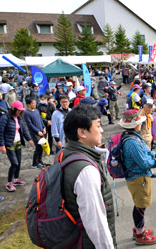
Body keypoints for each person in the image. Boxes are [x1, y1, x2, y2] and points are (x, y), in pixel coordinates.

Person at [62, 104, 116, 248]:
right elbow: (96, 223)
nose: (102, 130)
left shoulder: (66, 153)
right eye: (98, 126)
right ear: (82, 133)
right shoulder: (85, 170)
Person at [120, 109, 156, 246]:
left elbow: (146, 152)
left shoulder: (132, 135)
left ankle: (138, 229)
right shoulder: (133, 141)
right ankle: (140, 234)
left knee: (139, 205)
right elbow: (144, 163)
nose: (141, 124)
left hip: (138, 176)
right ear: (135, 125)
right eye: (140, 122)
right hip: (138, 177)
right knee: (141, 205)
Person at [0, 101, 34, 192]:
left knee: (19, 162)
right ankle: (9, 183)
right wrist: (2, 145)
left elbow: (23, 130)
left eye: (21, 111)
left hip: (18, 142)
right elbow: (0, 132)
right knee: (14, 163)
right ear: (13, 109)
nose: (19, 112)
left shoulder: (18, 118)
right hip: (9, 143)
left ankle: (16, 179)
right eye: (18, 110)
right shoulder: (5, 118)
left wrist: (29, 139)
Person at [24, 97, 46, 169]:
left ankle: (40, 161)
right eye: (33, 103)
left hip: (41, 131)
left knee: (42, 147)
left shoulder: (36, 110)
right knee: (38, 147)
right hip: (35, 133)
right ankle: (34, 163)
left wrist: (43, 127)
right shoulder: (27, 113)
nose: (34, 104)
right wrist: (38, 131)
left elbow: (40, 119)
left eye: (35, 103)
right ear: (28, 104)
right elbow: (30, 125)